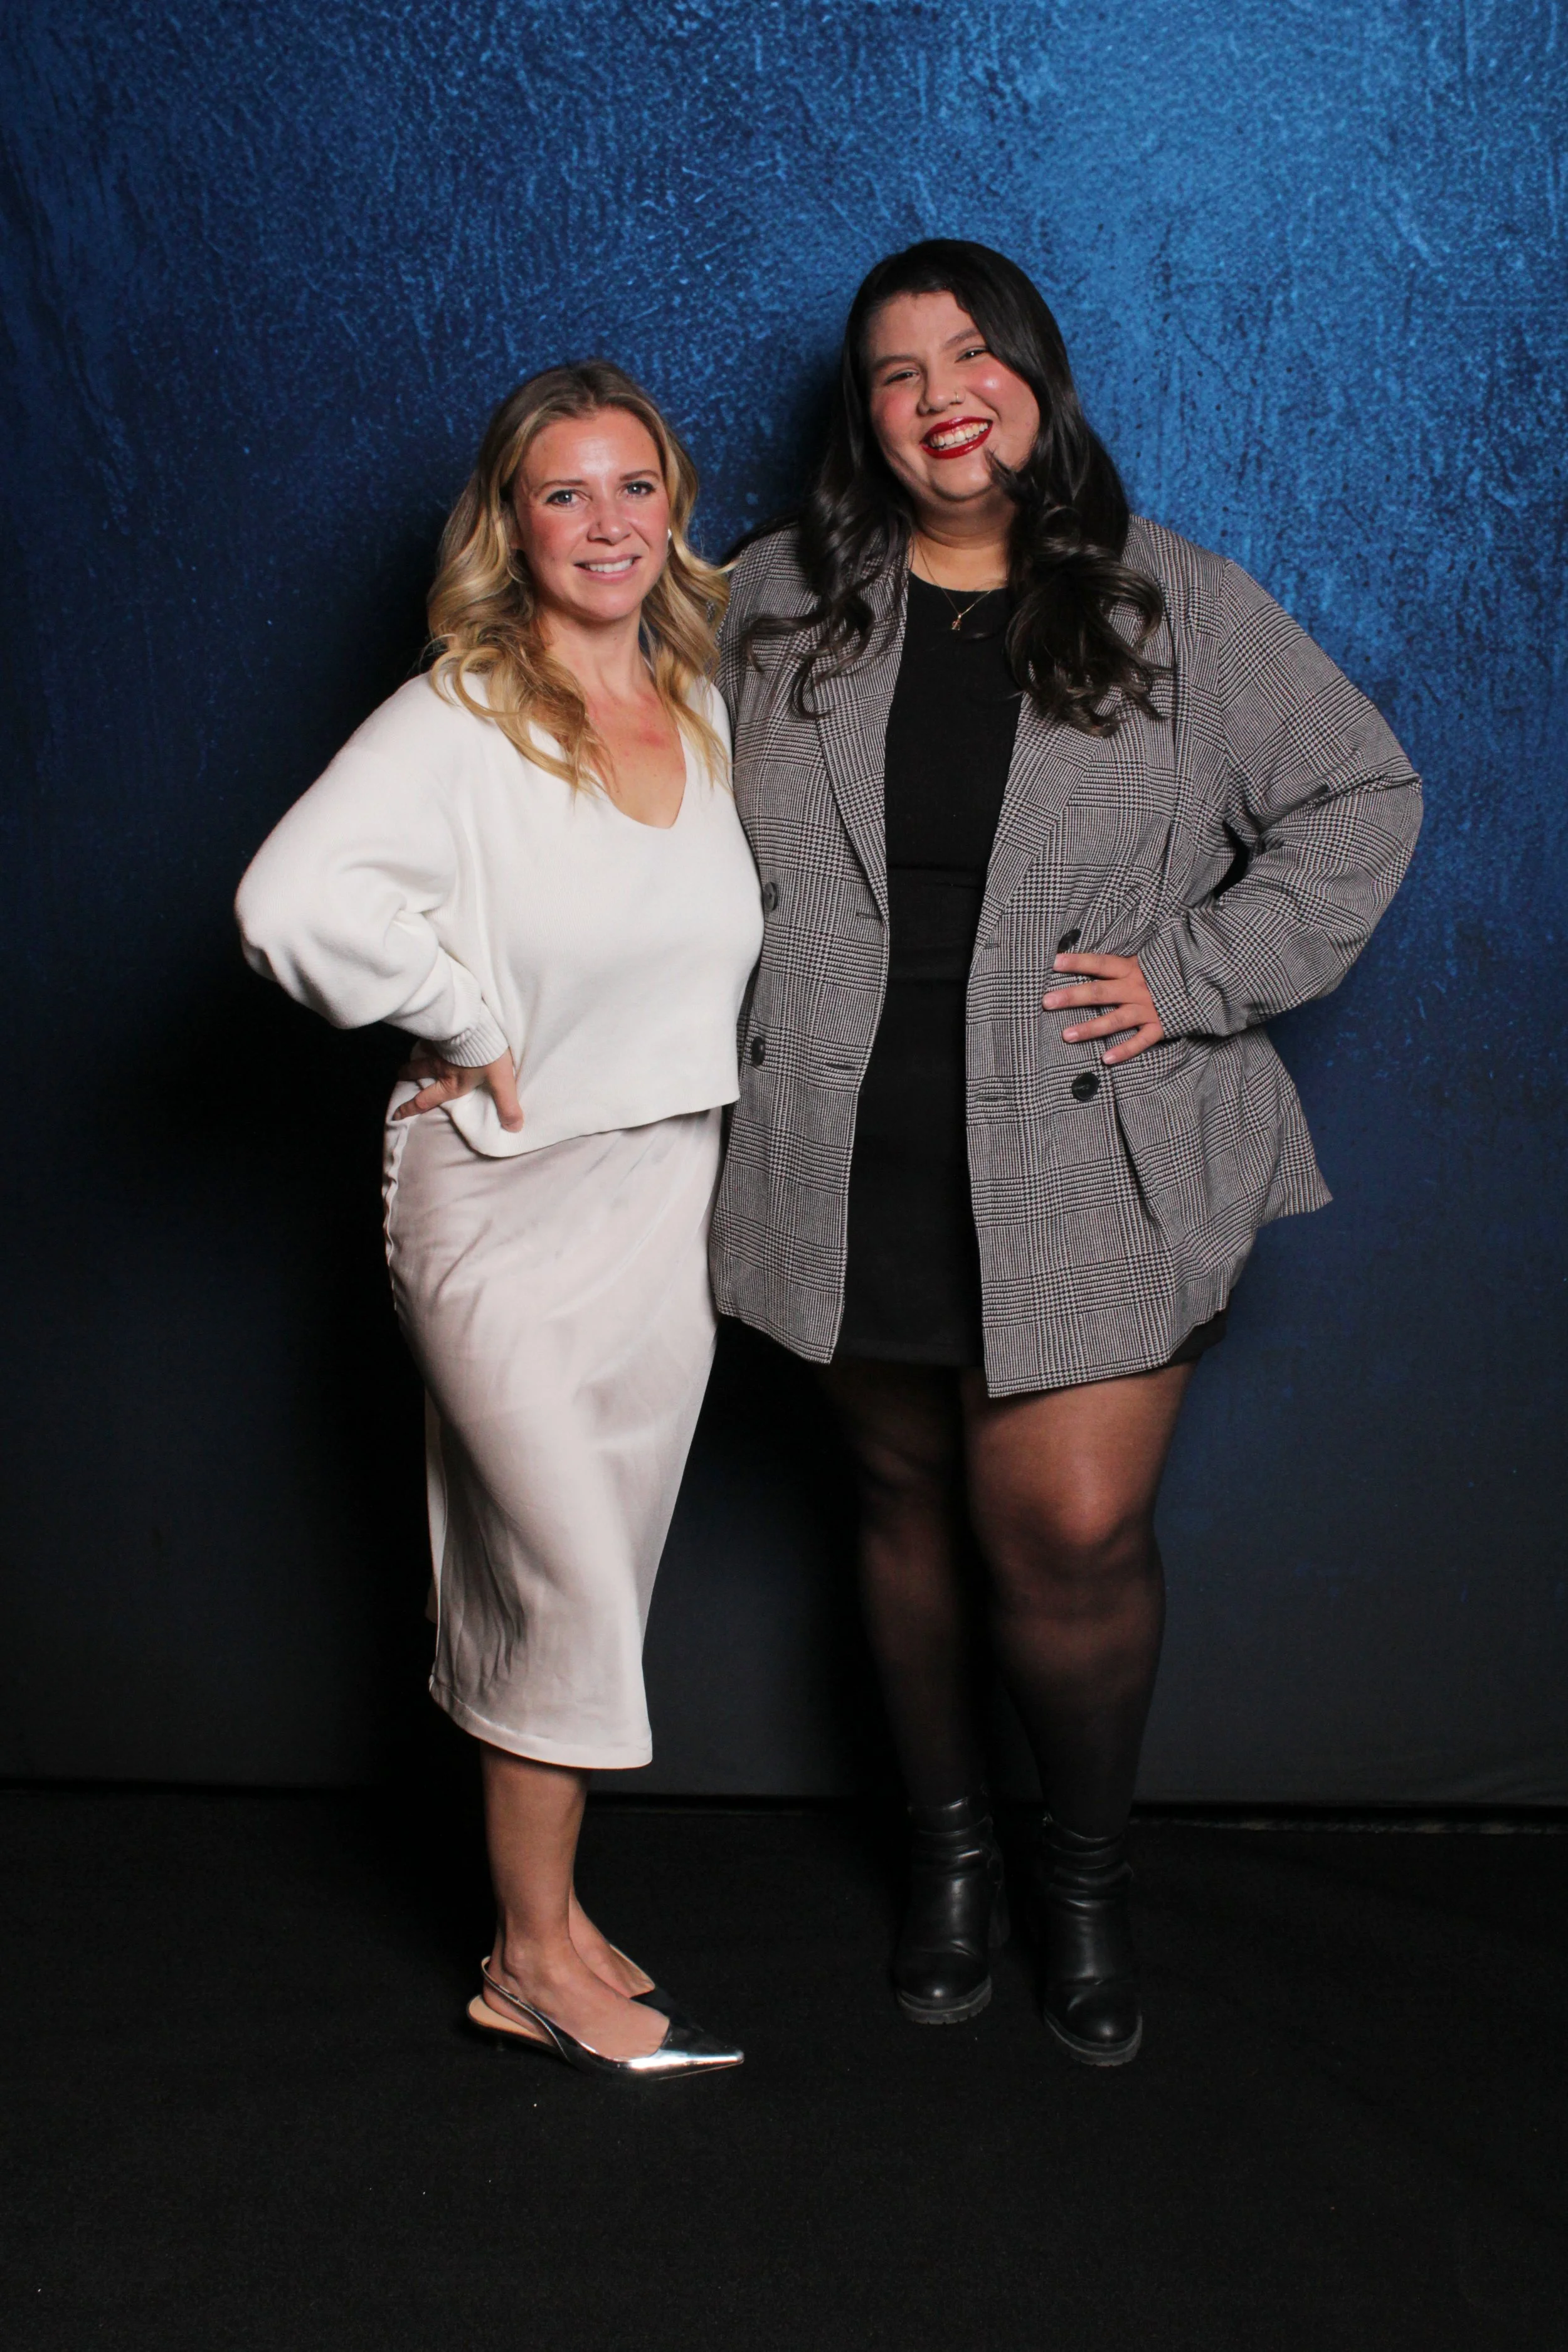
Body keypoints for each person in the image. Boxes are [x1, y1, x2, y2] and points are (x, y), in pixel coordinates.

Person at [713, 241, 1421, 2064]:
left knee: (1069, 1532)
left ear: (1035, 374)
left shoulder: (1168, 603)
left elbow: (1363, 796)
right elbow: (590, 776)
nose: (941, 390)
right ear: (859, 419)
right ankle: (948, 1861)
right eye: (894, 369)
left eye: (974, 352)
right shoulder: (773, 602)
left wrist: (1192, 971)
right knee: (897, 1515)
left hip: (1094, 1145)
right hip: (838, 1136)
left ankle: (1079, 1875)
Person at [236, 363, 762, 2079]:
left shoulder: (698, 704)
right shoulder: (462, 711)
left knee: (573, 1573)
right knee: (563, 1565)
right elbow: (287, 902)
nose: (604, 523)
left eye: (633, 487)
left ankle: (544, 1922)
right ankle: (534, 1950)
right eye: (563, 494)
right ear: (509, 524)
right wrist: (462, 1016)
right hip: (501, 1195)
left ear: (673, 508)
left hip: (663, 1191)